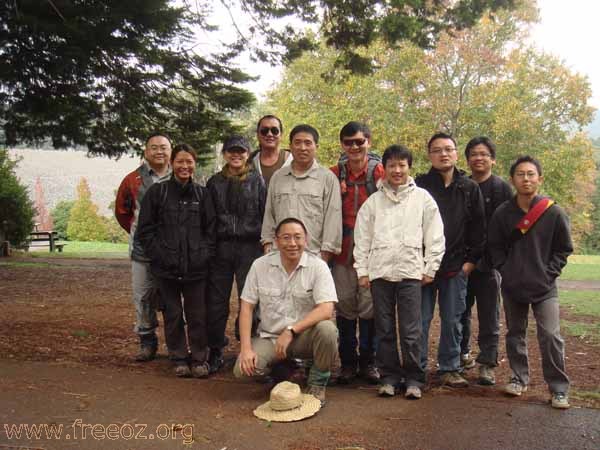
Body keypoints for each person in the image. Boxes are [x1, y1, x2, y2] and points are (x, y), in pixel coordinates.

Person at [354, 145, 445, 399]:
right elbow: (362, 240)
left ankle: (414, 378)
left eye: (401, 165)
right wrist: (363, 270)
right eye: (392, 165)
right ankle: (389, 377)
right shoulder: (374, 202)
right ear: (385, 168)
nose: (397, 170)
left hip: (410, 273)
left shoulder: (423, 199)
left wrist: (430, 267)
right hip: (380, 273)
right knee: (383, 328)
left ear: (409, 167)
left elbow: (435, 236)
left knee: (411, 329)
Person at [488, 156, 573, 409]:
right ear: (512, 179)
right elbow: (495, 247)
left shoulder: (554, 212)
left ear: (539, 178)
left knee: (550, 335)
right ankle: (518, 378)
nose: (526, 179)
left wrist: (548, 274)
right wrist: (507, 270)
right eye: (520, 174)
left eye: (531, 174)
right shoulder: (503, 213)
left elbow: (563, 249)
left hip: (545, 288)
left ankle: (558, 388)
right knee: (515, 333)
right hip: (513, 286)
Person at [235, 218, 339, 405]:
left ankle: (317, 383)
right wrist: (246, 348)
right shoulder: (260, 266)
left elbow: (326, 309)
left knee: (328, 330)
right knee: (243, 371)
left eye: (297, 237)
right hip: (271, 338)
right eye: (286, 237)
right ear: (276, 241)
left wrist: (291, 330)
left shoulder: (318, 266)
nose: (292, 243)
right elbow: (246, 306)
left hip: (304, 336)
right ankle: (283, 370)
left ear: (306, 240)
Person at [137, 144, 216, 378]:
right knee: (172, 315)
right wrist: (159, 255)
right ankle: (179, 358)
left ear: (194, 164)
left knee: (197, 315)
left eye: (189, 162)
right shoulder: (157, 193)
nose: (184, 166)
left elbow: (211, 232)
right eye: (180, 161)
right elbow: (145, 231)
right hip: (166, 269)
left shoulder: (203, 195)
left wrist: (203, 256)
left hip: (196, 268)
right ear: (172, 163)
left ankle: (200, 358)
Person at [416, 132, 486, 387]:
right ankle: (417, 368)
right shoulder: (420, 185)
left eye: (448, 149)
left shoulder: (469, 188)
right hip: (423, 267)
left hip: (456, 266)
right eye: (437, 150)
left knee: (453, 319)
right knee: (420, 320)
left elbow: (478, 230)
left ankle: (449, 367)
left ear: (456, 153)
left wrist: (469, 264)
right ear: (429, 155)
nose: (443, 154)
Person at [330, 121, 385, 384]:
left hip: (371, 253)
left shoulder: (380, 174)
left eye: (359, 142)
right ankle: (348, 363)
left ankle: (370, 362)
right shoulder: (333, 175)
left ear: (368, 142)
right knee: (345, 307)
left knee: (369, 307)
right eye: (348, 142)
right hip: (341, 252)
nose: (354, 147)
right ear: (342, 144)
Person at [206, 135, 267, 373]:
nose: (236, 155)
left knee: (249, 300)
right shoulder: (214, 182)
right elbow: (209, 220)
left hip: (249, 247)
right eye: (231, 151)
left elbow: (265, 215)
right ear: (224, 154)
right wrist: (209, 248)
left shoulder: (257, 181)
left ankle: (248, 349)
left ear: (247, 154)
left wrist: (264, 244)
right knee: (216, 302)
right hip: (221, 248)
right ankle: (215, 350)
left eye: (241, 151)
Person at [459, 137, 513, 385]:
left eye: (483, 154)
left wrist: (496, 260)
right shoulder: (462, 185)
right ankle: (462, 355)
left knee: (489, 314)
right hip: (462, 261)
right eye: (473, 154)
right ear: (467, 159)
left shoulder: (501, 188)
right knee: (459, 312)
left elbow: (506, 229)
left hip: (490, 263)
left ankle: (487, 363)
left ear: (492, 159)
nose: (478, 158)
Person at [115, 133, 172, 361]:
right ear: (146, 151)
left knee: (170, 297)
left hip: (172, 250)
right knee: (142, 296)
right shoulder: (132, 179)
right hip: (142, 251)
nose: (159, 151)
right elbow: (122, 212)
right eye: (154, 147)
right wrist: (139, 232)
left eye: (164, 147)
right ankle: (147, 342)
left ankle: (175, 344)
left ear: (171, 150)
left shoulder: (180, 175)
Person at [261, 124, 342, 261]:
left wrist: (324, 256)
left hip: (313, 255)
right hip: (279, 255)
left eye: (308, 143)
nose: (302, 148)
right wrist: (268, 245)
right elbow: (269, 214)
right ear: (290, 146)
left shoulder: (327, 179)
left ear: (316, 146)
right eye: (297, 143)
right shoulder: (278, 177)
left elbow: (333, 219)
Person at [251, 115, 292, 188]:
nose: (269, 134)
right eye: (264, 131)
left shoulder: (294, 161)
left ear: (281, 134)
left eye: (274, 131)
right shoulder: (250, 163)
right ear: (257, 134)